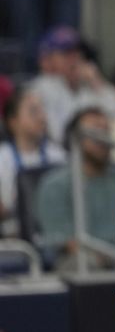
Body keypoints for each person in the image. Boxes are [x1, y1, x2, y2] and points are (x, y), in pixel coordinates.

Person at [35, 107, 115, 269]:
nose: (103, 138)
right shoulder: (54, 184)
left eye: (106, 131)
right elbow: (65, 241)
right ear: (75, 138)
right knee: (86, 263)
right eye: (95, 132)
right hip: (84, 260)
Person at [30, 26, 115, 144]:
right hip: (60, 156)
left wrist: (98, 84)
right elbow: (57, 135)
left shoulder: (91, 84)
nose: (74, 58)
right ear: (47, 60)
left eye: (76, 52)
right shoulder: (40, 89)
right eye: (66, 53)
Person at [0, 86, 64, 238]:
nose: (42, 117)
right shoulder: (2, 158)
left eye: (42, 111)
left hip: (55, 232)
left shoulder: (59, 156)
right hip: (12, 236)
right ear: (12, 121)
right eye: (33, 112)